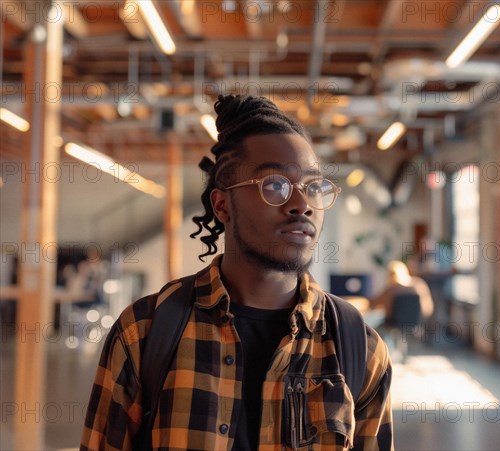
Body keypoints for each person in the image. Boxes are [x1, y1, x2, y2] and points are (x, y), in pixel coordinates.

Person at [80, 95, 393, 450]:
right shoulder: (145, 333)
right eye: (276, 185)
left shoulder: (359, 347)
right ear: (222, 205)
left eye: (312, 186)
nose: (302, 205)